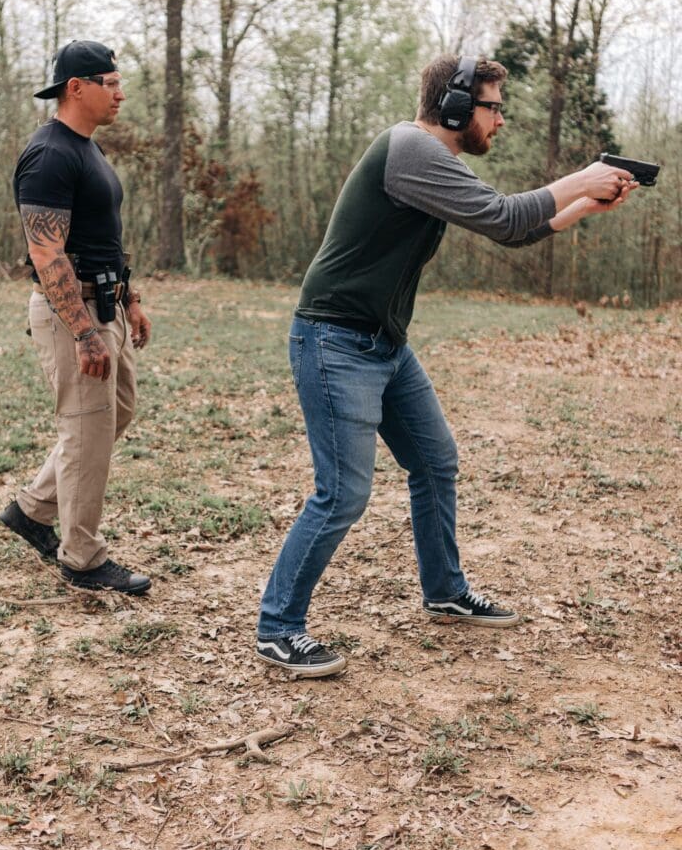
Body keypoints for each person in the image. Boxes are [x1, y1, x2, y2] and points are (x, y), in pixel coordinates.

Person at [256, 53, 638, 677]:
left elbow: (511, 232)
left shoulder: (434, 163)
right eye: (493, 107)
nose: (501, 121)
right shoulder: (408, 148)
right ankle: (277, 628)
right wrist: (584, 175)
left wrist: (585, 206)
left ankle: (444, 591)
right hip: (334, 341)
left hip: (382, 342)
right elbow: (507, 215)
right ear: (457, 106)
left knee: (435, 462)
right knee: (342, 495)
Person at [0, 40, 152, 595]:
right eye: (110, 83)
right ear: (76, 88)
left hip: (105, 303)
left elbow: (103, 237)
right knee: (86, 430)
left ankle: (31, 509)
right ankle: (82, 559)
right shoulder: (50, 154)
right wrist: (84, 331)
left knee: (117, 413)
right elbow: (46, 252)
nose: (120, 93)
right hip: (74, 312)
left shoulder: (89, 150)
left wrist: (129, 298)